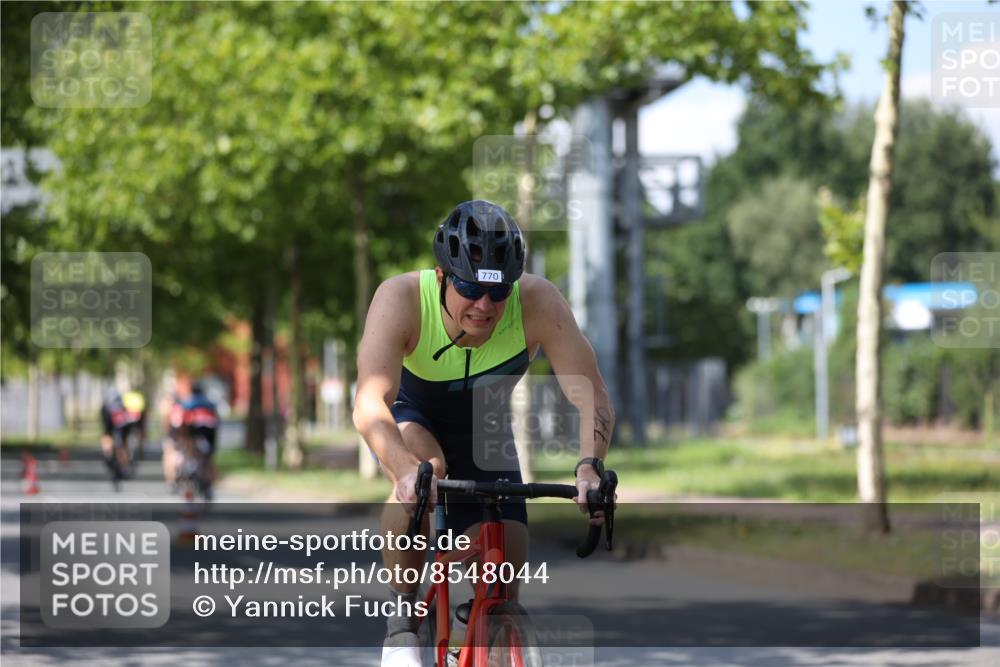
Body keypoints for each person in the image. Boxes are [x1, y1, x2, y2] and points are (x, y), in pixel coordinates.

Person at [353, 200, 615, 667]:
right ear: (442, 276)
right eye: (470, 287)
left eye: (498, 293)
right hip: (418, 418)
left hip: (486, 431)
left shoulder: (538, 303)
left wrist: (590, 466)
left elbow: (592, 394)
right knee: (425, 474)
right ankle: (401, 620)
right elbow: (370, 402)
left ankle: (476, 635)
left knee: (503, 581)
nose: (484, 305)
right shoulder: (401, 299)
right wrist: (401, 469)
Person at [163, 381, 219, 497]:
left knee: (188, 449)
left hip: (192, 430)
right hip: (209, 431)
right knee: (208, 457)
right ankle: (209, 484)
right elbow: (216, 421)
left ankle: (180, 477)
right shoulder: (210, 403)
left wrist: (181, 439)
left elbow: (182, 423)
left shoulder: (187, 403)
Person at [99, 387, 146, 486]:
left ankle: (117, 461)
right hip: (115, 429)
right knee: (114, 442)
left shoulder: (111, 408)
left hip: (120, 429)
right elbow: (106, 428)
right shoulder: (114, 408)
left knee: (118, 443)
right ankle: (115, 460)